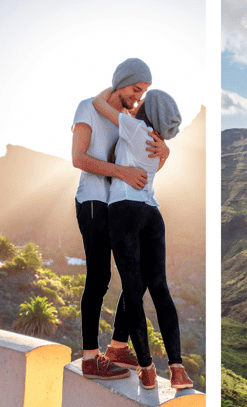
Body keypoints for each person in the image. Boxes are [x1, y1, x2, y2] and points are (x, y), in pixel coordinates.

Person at [71, 58, 169, 380]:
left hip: (120, 205)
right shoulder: (87, 108)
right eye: (136, 89)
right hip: (93, 201)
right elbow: (78, 158)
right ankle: (90, 358)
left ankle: (116, 346)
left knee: (136, 278)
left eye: (143, 93)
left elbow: (144, 168)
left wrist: (163, 154)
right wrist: (121, 172)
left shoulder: (127, 122)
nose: (138, 97)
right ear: (121, 83)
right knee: (99, 277)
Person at [93, 87, 193, 390]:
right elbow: (154, 169)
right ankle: (177, 369)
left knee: (133, 289)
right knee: (160, 288)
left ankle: (147, 369)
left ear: (148, 110)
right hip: (152, 213)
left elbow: (99, 103)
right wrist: (167, 152)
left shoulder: (135, 127)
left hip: (125, 209)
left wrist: (122, 84)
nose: (137, 102)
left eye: (142, 99)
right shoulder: (158, 142)